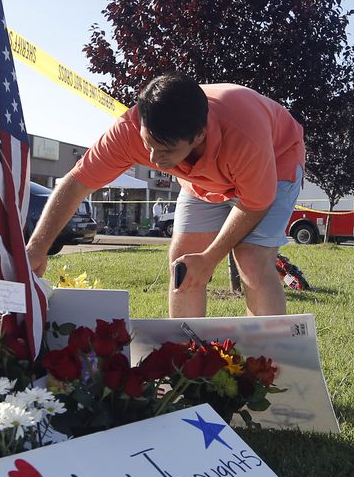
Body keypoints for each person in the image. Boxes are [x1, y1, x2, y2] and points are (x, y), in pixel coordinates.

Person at [25, 74, 305, 317]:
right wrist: (38, 245)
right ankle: (185, 359)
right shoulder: (129, 131)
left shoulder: (244, 134)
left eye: (166, 151)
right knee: (183, 260)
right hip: (203, 181)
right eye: (148, 145)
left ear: (198, 136)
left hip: (277, 160)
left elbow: (255, 204)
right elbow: (76, 183)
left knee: (253, 260)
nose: (154, 159)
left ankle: (269, 363)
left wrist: (210, 258)